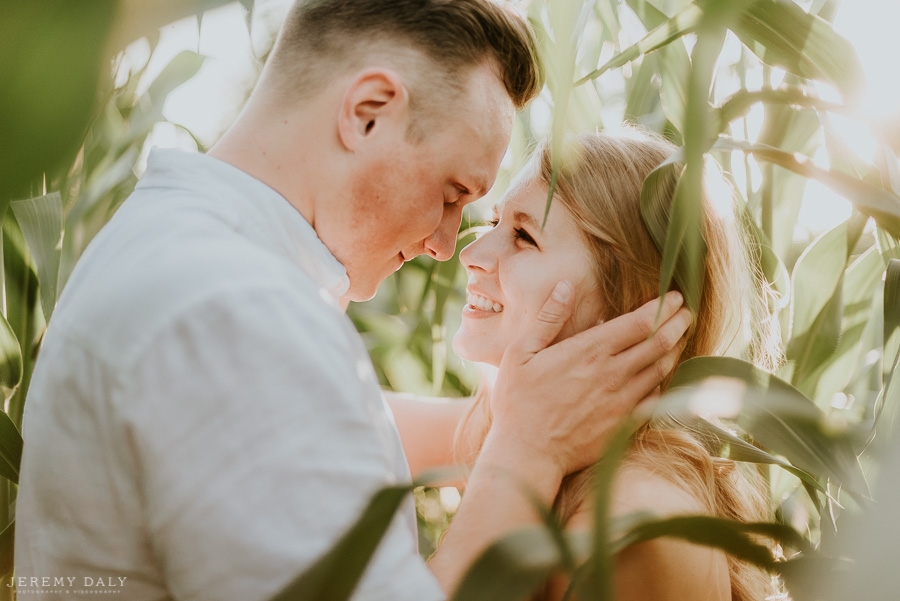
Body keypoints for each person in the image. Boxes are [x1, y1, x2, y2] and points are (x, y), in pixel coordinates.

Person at [14, 2, 691, 600]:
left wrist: (505, 421)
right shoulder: (233, 309)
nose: (448, 245)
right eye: (454, 194)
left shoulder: (178, 249)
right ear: (368, 113)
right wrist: (530, 447)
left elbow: (314, 428)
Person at [444, 131, 779, 600]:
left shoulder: (623, 529)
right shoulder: (526, 425)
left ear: (631, 307)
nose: (472, 255)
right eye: (495, 222)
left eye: (523, 236)